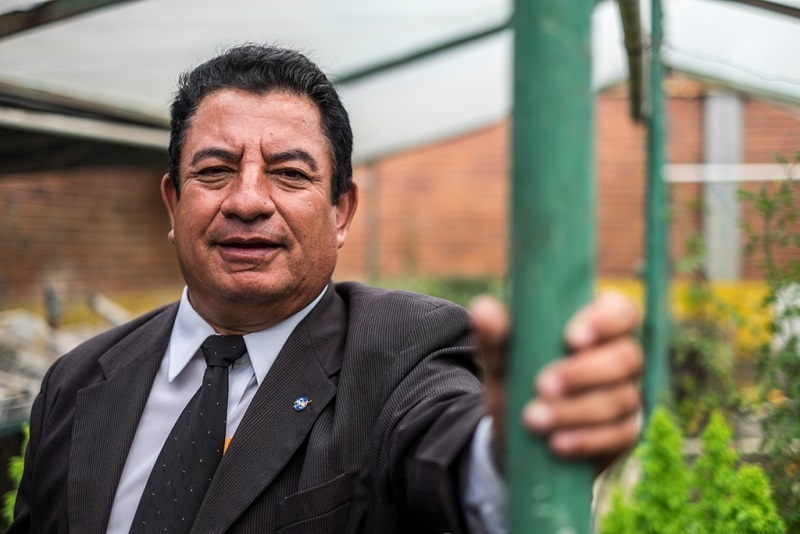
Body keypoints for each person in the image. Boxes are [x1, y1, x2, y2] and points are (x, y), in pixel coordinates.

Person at [9, 45, 642, 534]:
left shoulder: (405, 353)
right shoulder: (77, 381)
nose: (249, 201)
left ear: (341, 211)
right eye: (215, 170)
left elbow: (446, 453)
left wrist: (511, 456)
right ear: (174, 203)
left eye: (289, 174)